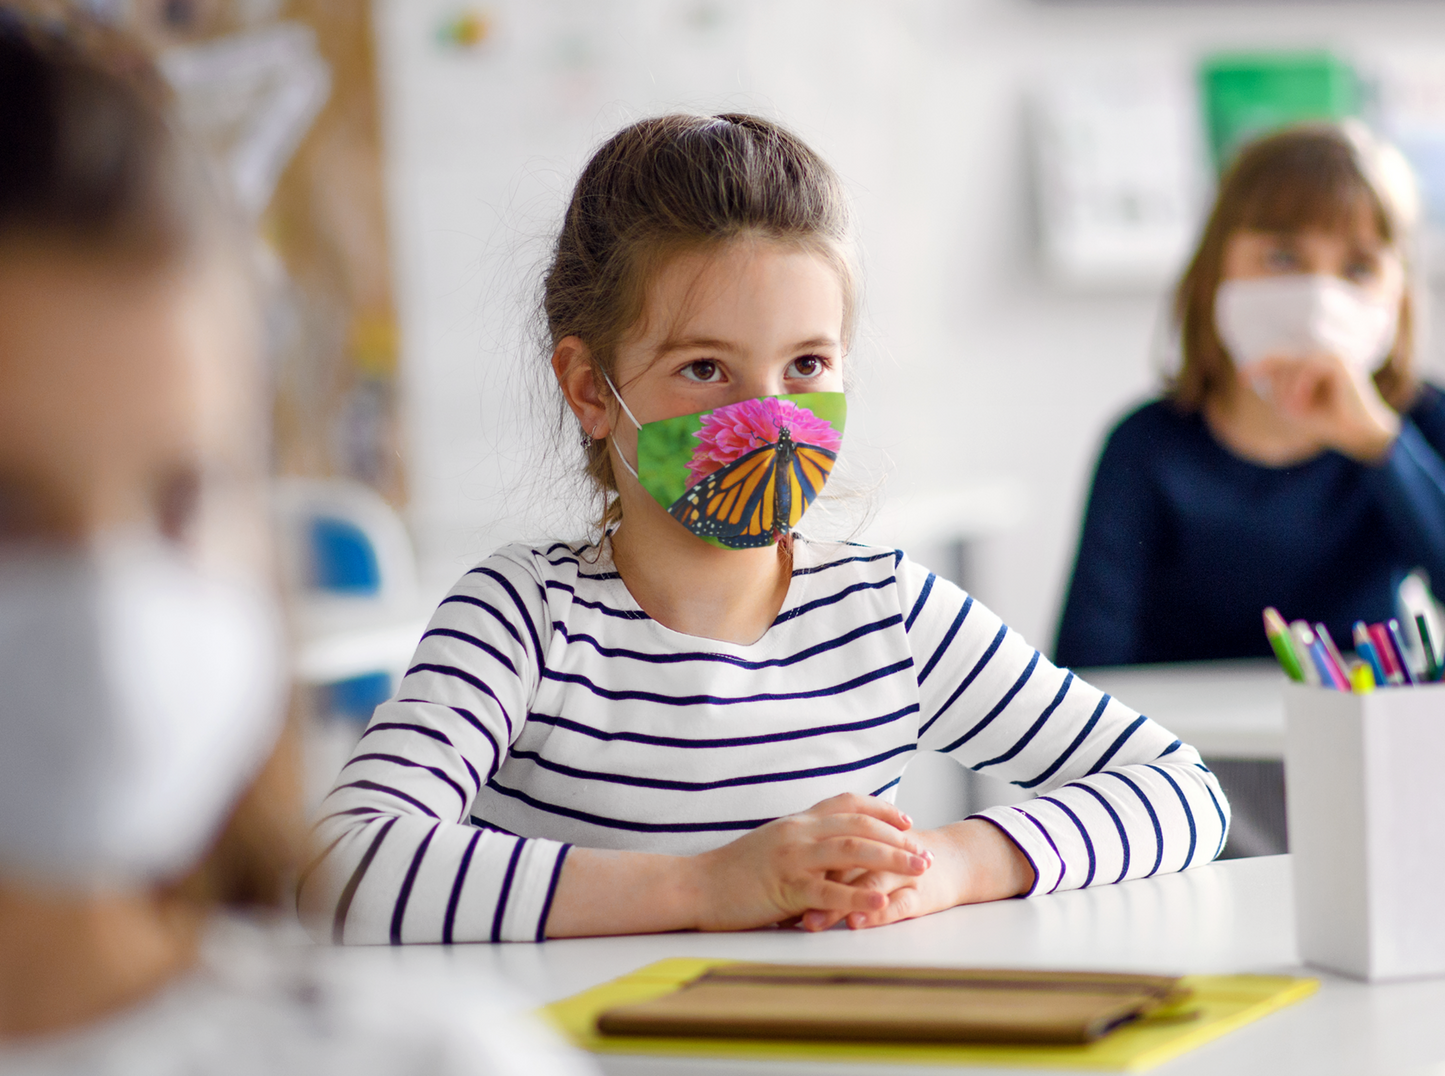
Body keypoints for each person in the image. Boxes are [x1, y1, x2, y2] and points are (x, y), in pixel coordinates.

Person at [305, 112, 1229, 946]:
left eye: (806, 364)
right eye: (704, 367)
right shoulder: (523, 620)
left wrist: (950, 867)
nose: (769, 413)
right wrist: (705, 886)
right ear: (591, 389)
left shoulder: (886, 615)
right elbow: (338, 868)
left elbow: (1183, 791)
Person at [0, 19, 607, 1076]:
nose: (108, 604)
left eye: (184, 496)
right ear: (588, 389)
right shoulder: (526, 607)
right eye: (9, 514)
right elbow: (376, 848)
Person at [1056, 122, 1445, 669]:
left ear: (1399, 292)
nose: (1318, 295)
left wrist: (1384, 448)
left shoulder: (1420, 424)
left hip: (1365, 748)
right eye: (1282, 257)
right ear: (1216, 269)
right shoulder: (1144, 447)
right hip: (1185, 750)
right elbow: (1084, 667)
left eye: (1358, 267)